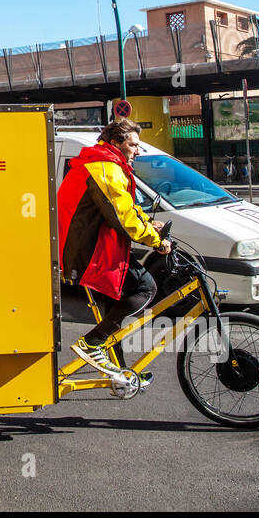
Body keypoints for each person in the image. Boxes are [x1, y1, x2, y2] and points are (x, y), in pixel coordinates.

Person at [57, 118, 171, 382]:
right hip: (88, 251)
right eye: (132, 145)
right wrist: (155, 241)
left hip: (96, 248)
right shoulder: (104, 167)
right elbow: (122, 218)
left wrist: (149, 223)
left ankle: (121, 375)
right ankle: (91, 342)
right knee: (146, 288)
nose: (136, 150)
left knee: (114, 311)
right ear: (116, 143)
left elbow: (126, 207)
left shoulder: (106, 164)